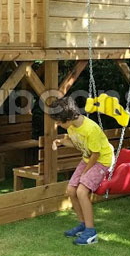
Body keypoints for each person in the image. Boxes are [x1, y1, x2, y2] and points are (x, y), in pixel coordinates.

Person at [49, 96, 115, 245]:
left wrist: (85, 173)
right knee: (71, 190)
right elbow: (76, 143)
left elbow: (96, 154)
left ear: (68, 119)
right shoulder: (72, 127)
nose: (57, 124)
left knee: (81, 191)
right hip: (88, 159)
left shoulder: (91, 129)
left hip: (101, 161)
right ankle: (83, 224)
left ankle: (91, 232)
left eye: (59, 122)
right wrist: (61, 141)